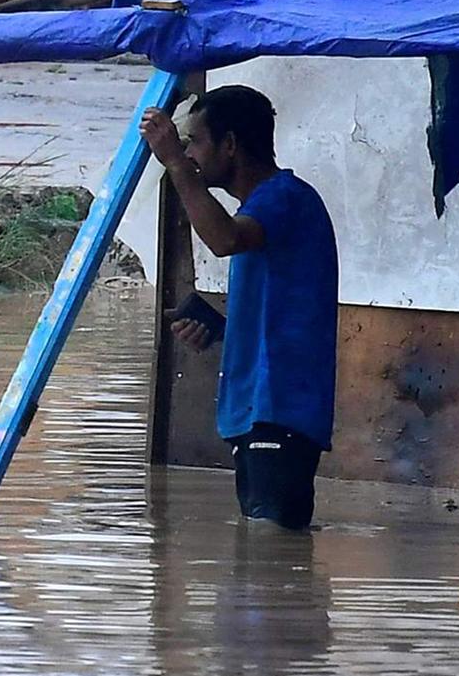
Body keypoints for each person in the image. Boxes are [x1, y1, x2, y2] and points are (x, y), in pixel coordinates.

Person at [145, 85, 340, 531]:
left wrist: (174, 162)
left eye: (195, 141)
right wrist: (219, 328)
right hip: (261, 410)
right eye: (186, 144)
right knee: (263, 552)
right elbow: (281, 313)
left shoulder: (282, 197)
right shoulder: (267, 205)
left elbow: (224, 240)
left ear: (230, 145)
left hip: (279, 410)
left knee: (269, 547)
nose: (190, 152)